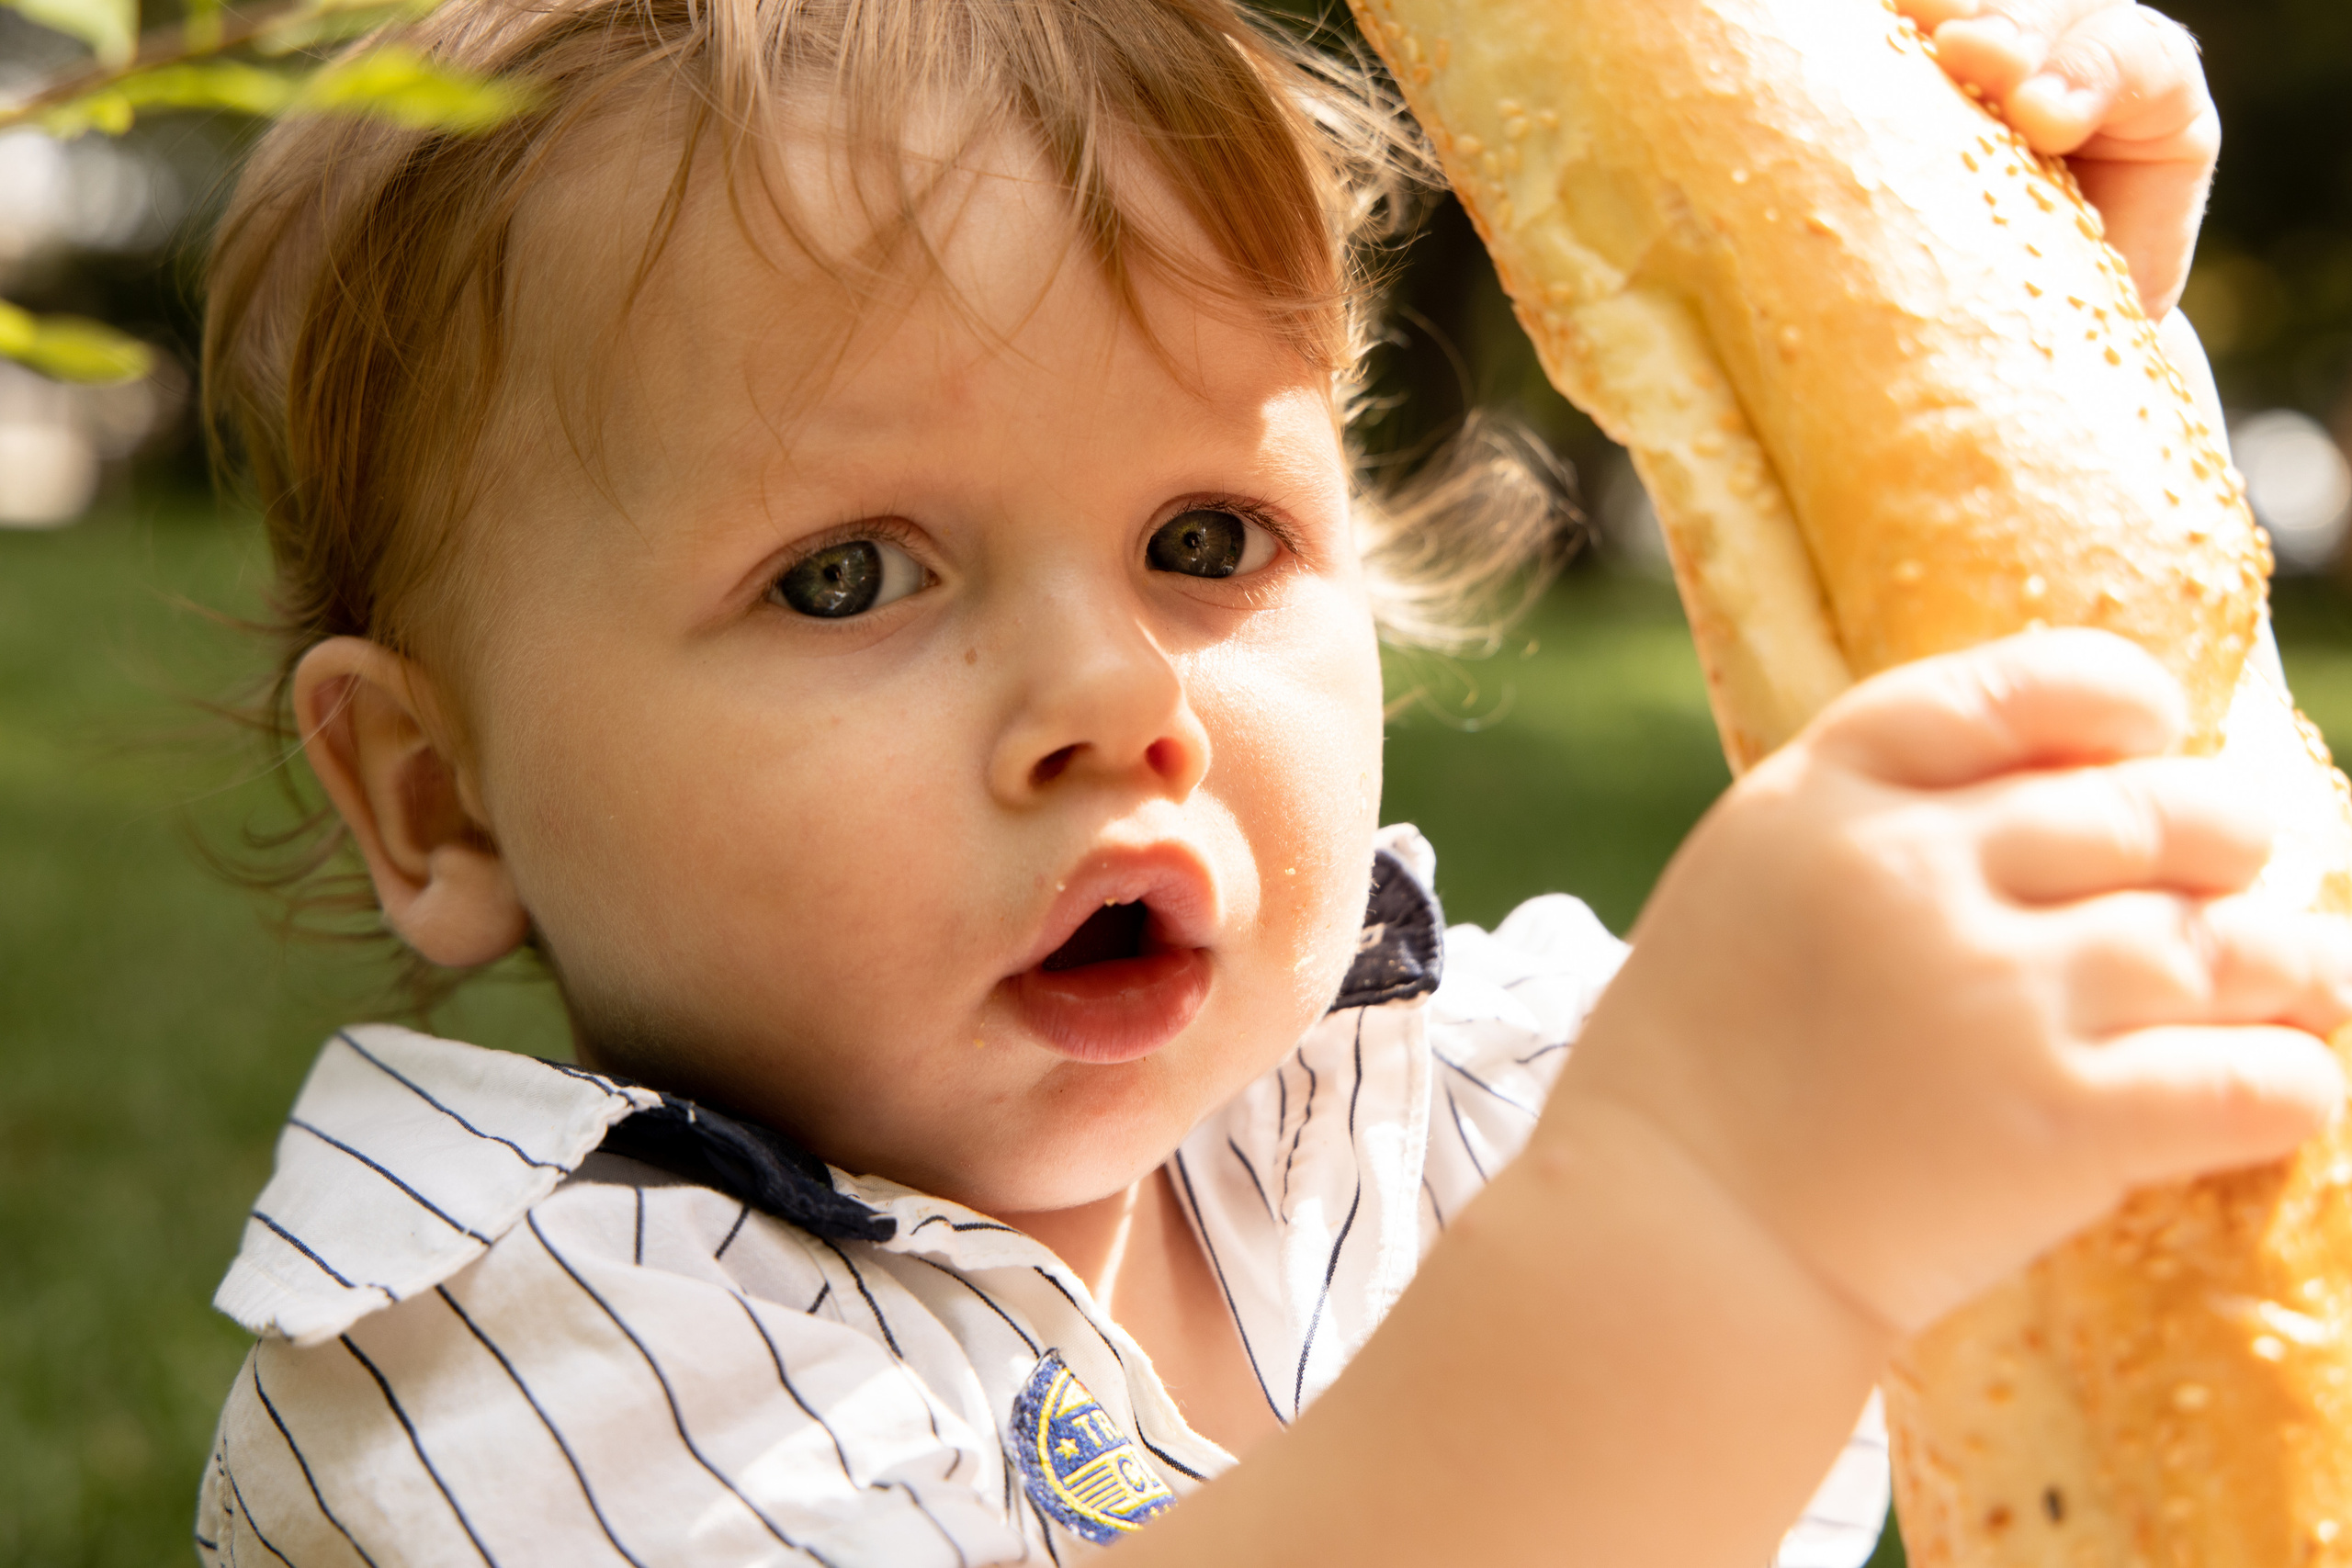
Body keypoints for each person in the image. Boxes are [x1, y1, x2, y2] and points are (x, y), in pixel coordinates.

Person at [192, 0, 2351, 1562]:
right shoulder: (496, 1371)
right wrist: (1713, 1224)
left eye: (1201, 541)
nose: (1106, 700)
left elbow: (2127, 1254)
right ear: (437, 798)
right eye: (845, 574)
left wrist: (2041, 346)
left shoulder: (1479, 1092)